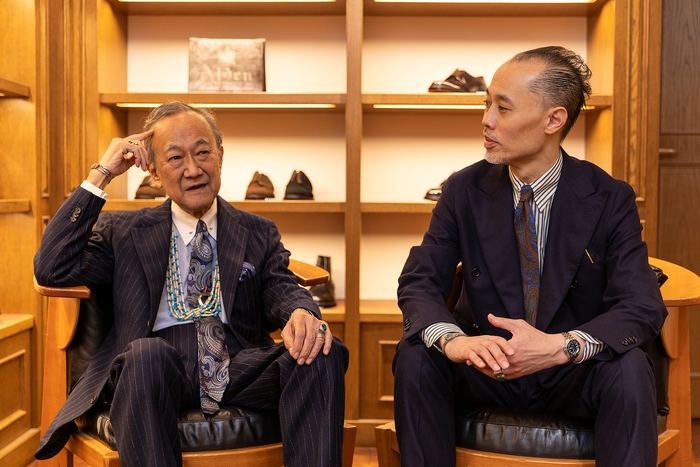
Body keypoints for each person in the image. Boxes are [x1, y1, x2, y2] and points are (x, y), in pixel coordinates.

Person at [33, 101, 349, 466]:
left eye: (203, 153)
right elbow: (51, 266)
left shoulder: (257, 231)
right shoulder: (123, 231)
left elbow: (282, 286)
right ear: (153, 171)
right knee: (145, 356)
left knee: (322, 349)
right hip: (158, 367)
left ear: (220, 156)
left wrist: (301, 312)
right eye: (175, 158)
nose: (194, 170)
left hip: (236, 366)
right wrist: (102, 173)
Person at [393, 46, 666, 467]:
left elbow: (642, 305)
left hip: (570, 371)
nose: (487, 120)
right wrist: (455, 341)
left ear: (553, 120)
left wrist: (561, 347)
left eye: (503, 108)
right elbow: (420, 281)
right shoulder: (462, 190)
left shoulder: (610, 197)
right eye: (487, 104)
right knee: (416, 356)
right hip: (487, 365)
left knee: (629, 368)